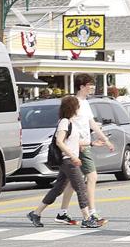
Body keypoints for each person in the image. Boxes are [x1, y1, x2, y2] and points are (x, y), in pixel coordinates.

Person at [27, 96, 100, 228]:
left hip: (68, 160)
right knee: (81, 188)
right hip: (68, 161)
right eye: (77, 106)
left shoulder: (69, 122)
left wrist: (91, 143)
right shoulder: (64, 122)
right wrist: (73, 156)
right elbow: (59, 142)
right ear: (72, 108)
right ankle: (87, 218)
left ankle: (36, 213)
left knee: (58, 189)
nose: (79, 109)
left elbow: (72, 141)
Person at [54, 74, 114, 226]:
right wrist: (78, 143)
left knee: (70, 181)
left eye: (93, 85)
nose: (92, 87)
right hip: (79, 146)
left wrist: (105, 140)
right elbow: (67, 126)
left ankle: (62, 213)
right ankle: (92, 212)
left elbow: (92, 123)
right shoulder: (74, 103)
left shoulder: (85, 103)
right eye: (89, 85)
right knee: (92, 177)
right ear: (81, 87)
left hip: (83, 144)